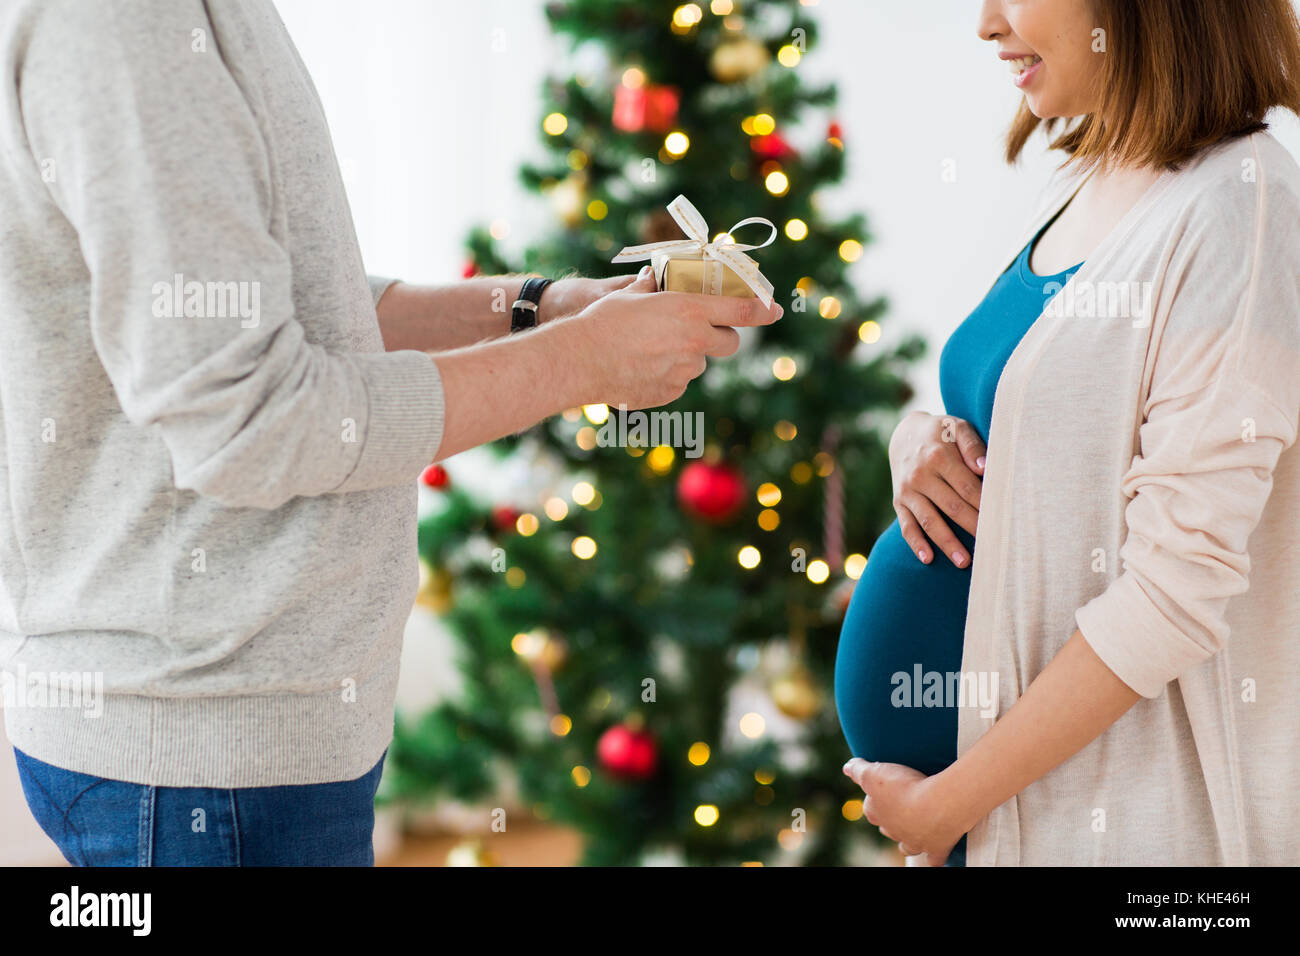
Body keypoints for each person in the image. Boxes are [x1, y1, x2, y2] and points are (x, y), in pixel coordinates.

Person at [0, 0, 780, 866]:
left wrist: (535, 308)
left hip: (236, 738)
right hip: (206, 762)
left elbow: (287, 306)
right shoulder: (125, 21)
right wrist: (580, 362)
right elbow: (251, 418)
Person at [837, 0, 1300, 865]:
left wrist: (949, 803)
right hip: (1008, 815)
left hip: (1124, 830)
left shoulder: (1244, 206)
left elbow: (1173, 591)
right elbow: (1019, 410)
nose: (985, 24)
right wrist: (917, 443)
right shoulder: (1091, 173)